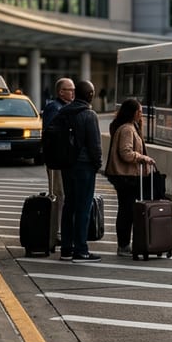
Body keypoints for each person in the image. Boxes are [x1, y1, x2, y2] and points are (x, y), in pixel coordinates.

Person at [57, 79, 102, 262]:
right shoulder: (89, 115)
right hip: (84, 166)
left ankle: (66, 249)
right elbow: (95, 146)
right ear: (90, 95)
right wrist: (97, 164)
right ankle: (81, 250)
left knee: (69, 205)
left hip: (67, 164)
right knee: (83, 208)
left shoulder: (64, 112)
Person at [104, 99, 156, 257]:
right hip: (126, 176)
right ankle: (123, 245)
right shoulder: (127, 129)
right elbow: (125, 153)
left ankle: (125, 244)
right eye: (139, 111)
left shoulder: (132, 126)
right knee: (126, 211)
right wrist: (143, 158)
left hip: (128, 175)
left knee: (127, 210)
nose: (142, 114)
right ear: (131, 112)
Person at [41, 77, 75, 251]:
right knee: (58, 195)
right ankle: (57, 233)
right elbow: (54, 134)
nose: (73, 93)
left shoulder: (65, 107)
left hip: (64, 160)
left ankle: (61, 231)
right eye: (70, 90)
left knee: (64, 196)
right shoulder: (54, 108)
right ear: (61, 92)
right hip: (56, 160)